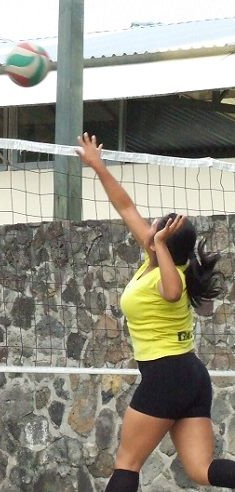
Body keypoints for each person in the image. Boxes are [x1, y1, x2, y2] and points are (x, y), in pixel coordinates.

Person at [76, 133, 235, 491]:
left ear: (163, 241)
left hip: (166, 375)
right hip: (190, 375)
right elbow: (126, 206)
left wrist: (159, 244)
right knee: (201, 469)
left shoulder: (171, 275)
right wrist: (98, 166)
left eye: (157, 228)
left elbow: (173, 291)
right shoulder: (153, 260)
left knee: (127, 463)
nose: (149, 228)